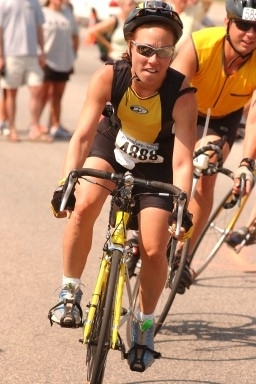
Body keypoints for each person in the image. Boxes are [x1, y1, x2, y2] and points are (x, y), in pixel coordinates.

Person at [48, 1, 197, 372]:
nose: (152, 59)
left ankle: (144, 326)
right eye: (145, 49)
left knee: (152, 246)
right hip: (110, 148)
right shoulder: (108, 76)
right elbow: (82, 135)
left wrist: (183, 207)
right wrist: (67, 180)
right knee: (84, 204)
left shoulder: (182, 94)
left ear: (171, 54)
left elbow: (181, 161)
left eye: (163, 52)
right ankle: (69, 291)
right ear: (130, 45)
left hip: (158, 167)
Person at [171, 0, 256, 292]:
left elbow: (255, 116)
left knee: (206, 174)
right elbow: (172, 92)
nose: (250, 34)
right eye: (243, 25)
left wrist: (247, 163)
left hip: (224, 119)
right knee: (168, 168)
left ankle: (184, 256)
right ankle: (137, 236)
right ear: (228, 23)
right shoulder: (200, 44)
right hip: (187, 109)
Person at [0, 0, 52, 142]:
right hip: (11, 54)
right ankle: (12, 129)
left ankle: (34, 128)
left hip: (32, 55)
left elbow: (39, 28)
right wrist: (0, 55)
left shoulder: (34, 3)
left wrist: (42, 51)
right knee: (11, 92)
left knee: (37, 89)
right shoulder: (4, 2)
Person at [40, 0, 79, 140]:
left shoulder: (68, 12)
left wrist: (74, 54)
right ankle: (36, 125)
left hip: (64, 61)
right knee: (43, 95)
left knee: (57, 96)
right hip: (47, 60)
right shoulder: (43, 12)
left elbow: (75, 36)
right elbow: (37, 35)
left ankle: (55, 126)